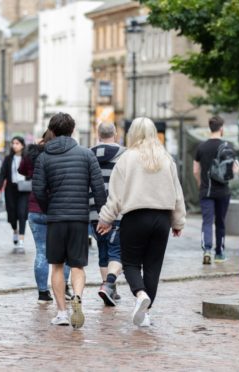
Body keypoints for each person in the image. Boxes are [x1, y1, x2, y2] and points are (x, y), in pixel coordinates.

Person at [97, 117, 186, 327]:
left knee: (130, 263)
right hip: (162, 219)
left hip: (135, 217)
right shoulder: (166, 159)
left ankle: (139, 294)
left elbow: (116, 196)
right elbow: (177, 194)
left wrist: (106, 219)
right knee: (153, 267)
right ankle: (145, 314)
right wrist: (178, 222)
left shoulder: (127, 158)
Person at [33, 113, 106, 328]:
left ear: (52, 131)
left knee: (56, 265)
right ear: (73, 130)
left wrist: (49, 208)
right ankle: (77, 296)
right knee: (77, 265)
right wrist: (101, 214)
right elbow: (98, 189)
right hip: (79, 219)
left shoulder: (44, 157)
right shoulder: (86, 155)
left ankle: (62, 313)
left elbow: (38, 189)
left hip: (56, 218)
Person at [19, 130, 71, 304]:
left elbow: (22, 171)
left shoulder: (32, 154)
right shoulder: (60, 154)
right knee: (64, 253)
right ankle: (64, 288)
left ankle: (43, 292)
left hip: (35, 208)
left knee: (41, 251)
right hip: (56, 208)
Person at [193, 116, 239, 264]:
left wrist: (201, 183)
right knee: (220, 222)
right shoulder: (229, 146)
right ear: (221, 129)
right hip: (223, 192)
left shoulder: (201, 147)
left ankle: (207, 250)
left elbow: (195, 170)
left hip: (206, 191)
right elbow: (235, 168)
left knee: (207, 222)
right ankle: (219, 253)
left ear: (210, 128)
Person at [89, 123, 126, 307]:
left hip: (94, 212)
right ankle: (109, 286)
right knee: (117, 251)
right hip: (117, 212)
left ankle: (108, 288)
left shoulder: (88, 154)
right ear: (115, 134)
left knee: (103, 251)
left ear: (98, 134)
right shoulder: (125, 155)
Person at [0, 137, 30, 254]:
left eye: (17, 143)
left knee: (22, 213)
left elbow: (32, 173)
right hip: (11, 189)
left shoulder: (27, 158)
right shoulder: (8, 159)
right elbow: (2, 175)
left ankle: (21, 240)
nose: (15, 145)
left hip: (24, 189)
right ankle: (15, 230)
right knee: (12, 214)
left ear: (22, 145)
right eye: (13, 143)